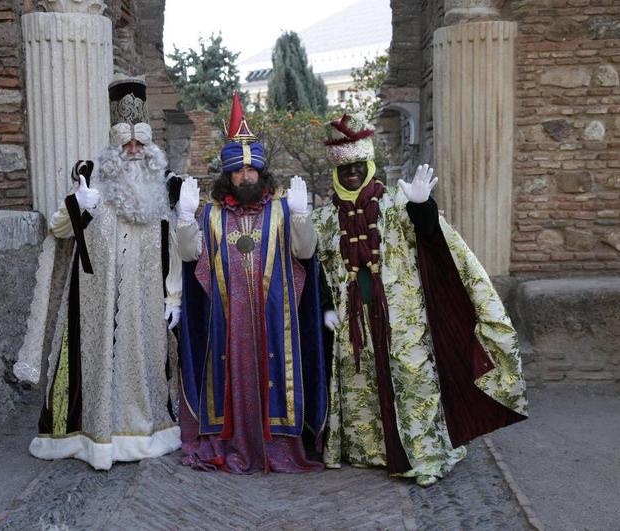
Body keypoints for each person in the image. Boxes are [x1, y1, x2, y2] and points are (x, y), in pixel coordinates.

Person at [313, 113, 528, 486]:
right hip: (353, 322)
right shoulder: (325, 218)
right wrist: (325, 307)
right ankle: (375, 451)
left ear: (369, 166)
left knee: (414, 382)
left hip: (403, 316)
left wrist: (422, 206)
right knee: (362, 385)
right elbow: (317, 266)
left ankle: (426, 456)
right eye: (344, 169)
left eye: (357, 167)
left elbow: (431, 239)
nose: (351, 175)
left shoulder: (397, 201)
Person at [27, 76, 182, 470]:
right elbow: (60, 231)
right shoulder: (91, 176)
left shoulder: (166, 187)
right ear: (115, 144)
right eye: (125, 143)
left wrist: (174, 297)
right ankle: (92, 437)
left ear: (149, 146)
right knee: (94, 366)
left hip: (146, 301)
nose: (132, 150)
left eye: (139, 143)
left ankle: (143, 433)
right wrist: (78, 205)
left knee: (145, 366)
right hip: (95, 301)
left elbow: (176, 248)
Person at [174, 93, 328, 473]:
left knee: (277, 379)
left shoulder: (281, 211)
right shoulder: (211, 215)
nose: (246, 176)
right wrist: (183, 218)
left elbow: (305, 254)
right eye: (239, 171)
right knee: (230, 382)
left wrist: (302, 217)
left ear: (262, 173)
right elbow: (192, 256)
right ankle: (233, 441)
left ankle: (277, 447)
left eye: (252, 170)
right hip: (228, 324)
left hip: (274, 321)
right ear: (229, 175)